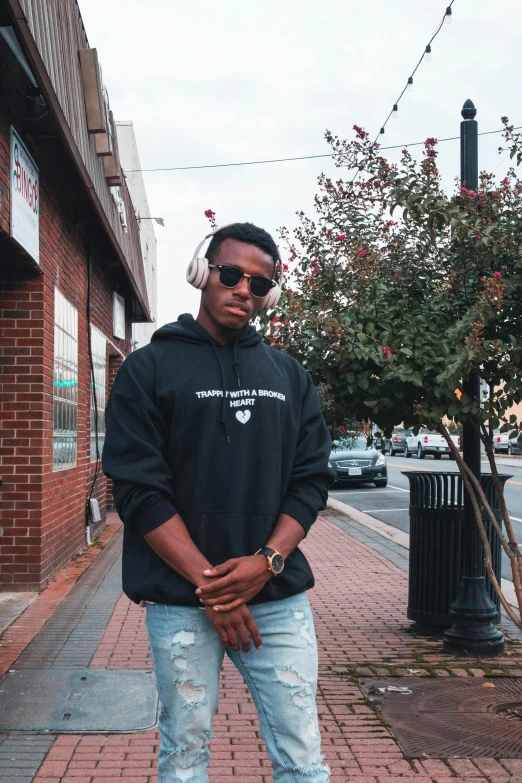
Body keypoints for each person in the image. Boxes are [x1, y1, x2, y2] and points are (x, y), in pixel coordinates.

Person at [102, 222, 332, 783]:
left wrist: (267, 563)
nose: (243, 291)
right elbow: (138, 488)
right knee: (184, 756)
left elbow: (310, 480)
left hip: (276, 598)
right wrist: (215, 587)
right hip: (181, 600)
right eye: (231, 275)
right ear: (203, 273)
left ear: (269, 295)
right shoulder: (148, 369)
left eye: (259, 284)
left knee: (302, 756)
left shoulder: (289, 376)